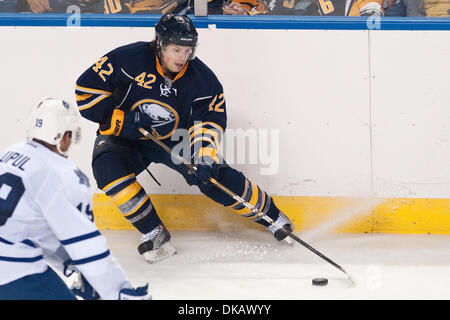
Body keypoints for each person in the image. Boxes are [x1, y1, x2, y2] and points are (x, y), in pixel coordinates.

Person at [75, 13, 294, 264]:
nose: (182, 57)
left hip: (175, 139)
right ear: (159, 44)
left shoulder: (203, 81)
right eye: (175, 49)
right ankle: (154, 232)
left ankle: (273, 216)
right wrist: (121, 120)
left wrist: (205, 154)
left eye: (187, 50)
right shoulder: (128, 59)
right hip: (126, 136)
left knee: (212, 176)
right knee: (107, 170)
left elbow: (210, 122)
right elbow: (86, 90)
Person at [0, 97, 151, 300]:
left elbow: (31, 230)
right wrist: (119, 292)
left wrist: (70, 264)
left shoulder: (9, 154)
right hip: (13, 272)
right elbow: (85, 244)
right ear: (64, 136)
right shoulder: (63, 174)